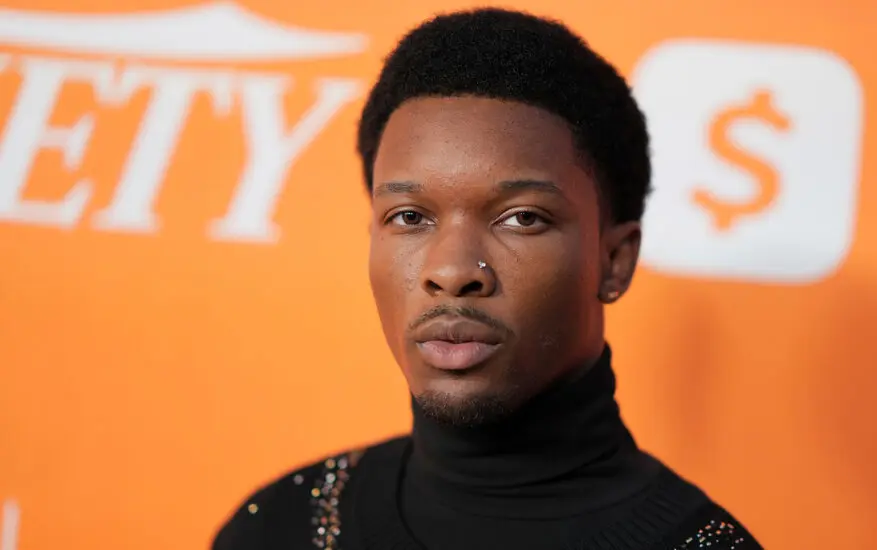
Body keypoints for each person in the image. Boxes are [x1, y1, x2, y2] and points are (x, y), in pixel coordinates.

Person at [212, 7, 763, 550]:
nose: (452, 272)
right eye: (410, 217)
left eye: (522, 219)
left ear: (614, 260)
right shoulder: (277, 528)